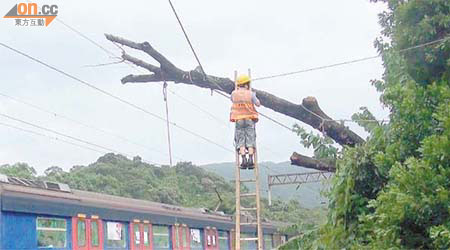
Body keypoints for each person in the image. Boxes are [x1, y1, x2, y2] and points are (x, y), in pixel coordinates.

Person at [230, 74, 260, 169]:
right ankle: (251, 160)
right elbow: (258, 104)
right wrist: (253, 95)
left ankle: (243, 160)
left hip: (238, 119)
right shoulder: (250, 94)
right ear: (247, 84)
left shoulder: (233, 93)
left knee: (240, 140)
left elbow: (232, 100)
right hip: (249, 119)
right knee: (250, 139)